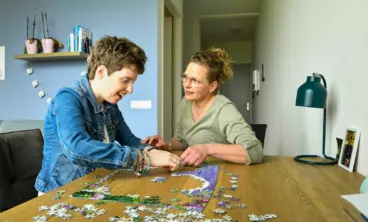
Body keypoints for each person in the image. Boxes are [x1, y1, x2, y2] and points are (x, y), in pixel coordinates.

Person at [35, 36, 181, 194]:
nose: (130, 89)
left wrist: (152, 151)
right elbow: (77, 148)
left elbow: (129, 140)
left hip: (95, 186)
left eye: (133, 82)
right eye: (125, 80)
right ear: (101, 72)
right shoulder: (67, 97)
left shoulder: (109, 104)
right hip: (59, 192)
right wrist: (142, 159)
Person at [142, 48, 264, 166]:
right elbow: (182, 140)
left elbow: (255, 151)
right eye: (185, 77)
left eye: (195, 80)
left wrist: (207, 149)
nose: (186, 85)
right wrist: (167, 145)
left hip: (224, 174)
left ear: (212, 86)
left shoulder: (223, 109)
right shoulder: (186, 102)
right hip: (197, 173)